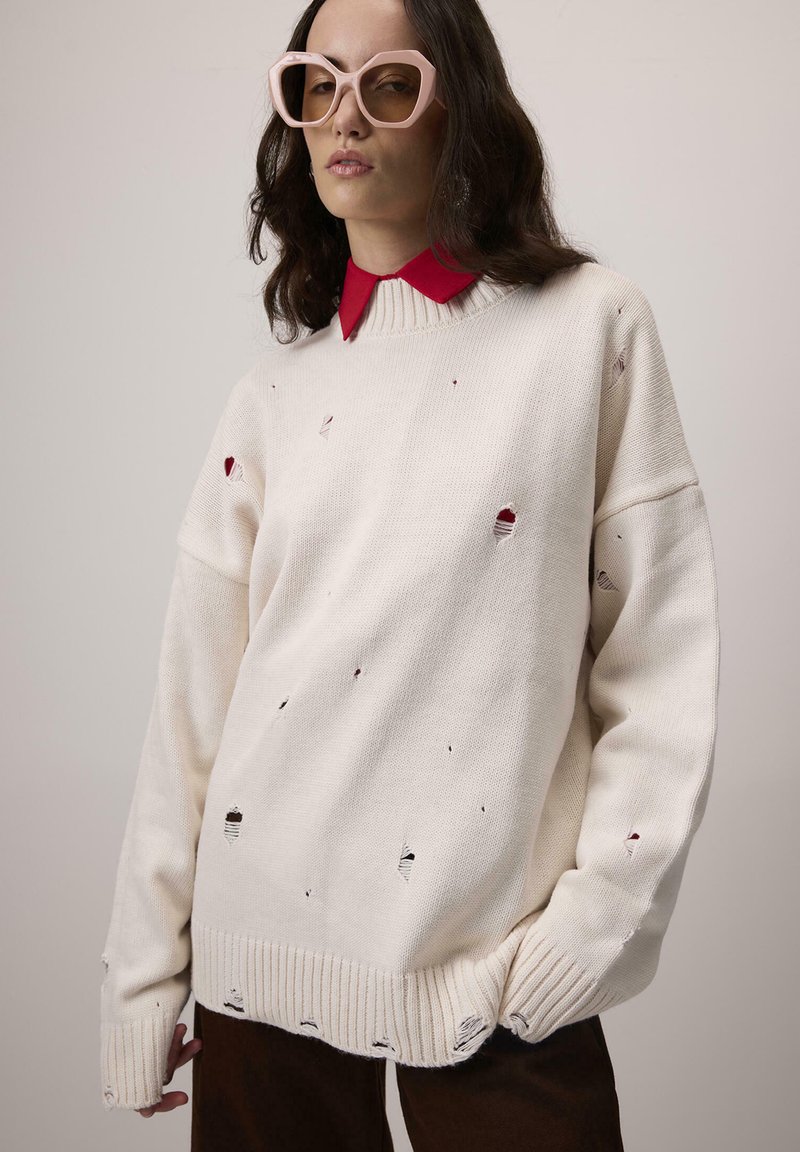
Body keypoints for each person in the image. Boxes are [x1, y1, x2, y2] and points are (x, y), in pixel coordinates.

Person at [99, 0, 721, 1148]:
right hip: (259, 965)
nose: (345, 116)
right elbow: (194, 705)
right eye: (316, 83)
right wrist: (143, 979)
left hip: (499, 966)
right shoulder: (272, 399)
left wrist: (592, 927)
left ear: (458, 108)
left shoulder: (588, 329)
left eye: (389, 83)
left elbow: (657, 658)